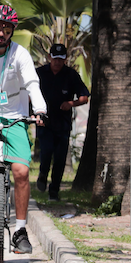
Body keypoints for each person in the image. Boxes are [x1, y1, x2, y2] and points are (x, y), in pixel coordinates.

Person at [0, 5, 47, 254]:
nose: (0, 33)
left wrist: (41, 109)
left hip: (15, 117)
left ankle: (21, 231)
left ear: (12, 31)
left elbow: (32, 82)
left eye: (6, 28)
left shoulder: (20, 54)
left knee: (21, 172)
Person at [36, 44, 89, 201]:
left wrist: (70, 104)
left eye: (61, 59)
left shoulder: (71, 75)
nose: (57, 62)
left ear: (65, 59)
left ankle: (54, 192)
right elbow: (27, 94)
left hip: (63, 125)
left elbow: (84, 97)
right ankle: (42, 175)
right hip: (44, 122)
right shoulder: (39, 73)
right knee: (45, 153)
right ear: (49, 57)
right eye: (55, 58)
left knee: (59, 160)